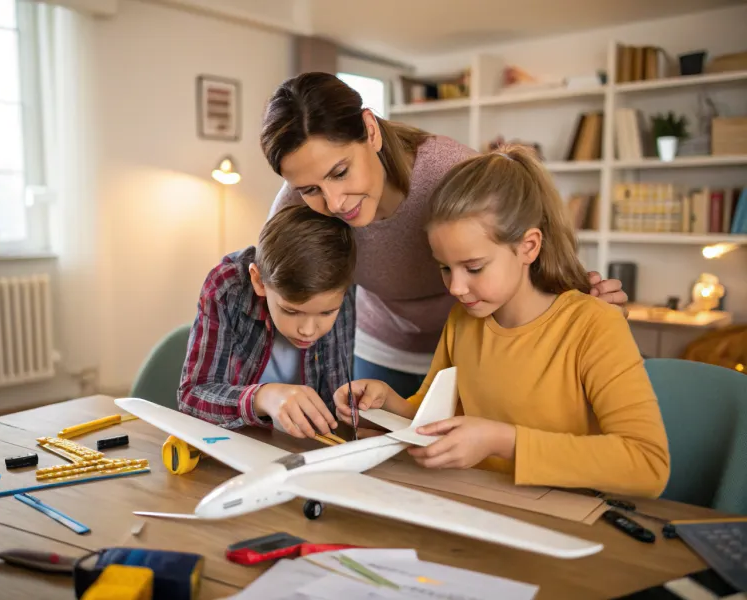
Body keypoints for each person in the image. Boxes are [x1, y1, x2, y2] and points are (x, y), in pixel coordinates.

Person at [262, 72, 627, 399]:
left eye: (340, 172)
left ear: (370, 130)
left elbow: (526, 252)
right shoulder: (298, 200)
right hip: (381, 347)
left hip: (472, 346)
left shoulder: (450, 172)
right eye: (310, 189)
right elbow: (266, 281)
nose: (334, 202)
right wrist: (264, 394)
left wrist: (584, 303)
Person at [333, 146, 670, 498]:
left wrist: (502, 441)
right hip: (477, 504)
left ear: (528, 247)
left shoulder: (593, 324)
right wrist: (389, 402)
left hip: (565, 517)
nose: (457, 287)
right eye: (445, 268)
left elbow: (648, 465)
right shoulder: (464, 319)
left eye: (474, 267)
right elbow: (435, 416)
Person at [178, 205, 355, 438]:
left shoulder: (343, 289)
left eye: (326, 313)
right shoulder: (227, 288)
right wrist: (263, 397)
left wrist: (354, 413)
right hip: (234, 444)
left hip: (300, 452)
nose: (308, 331)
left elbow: (334, 407)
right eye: (291, 311)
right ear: (259, 281)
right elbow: (191, 397)